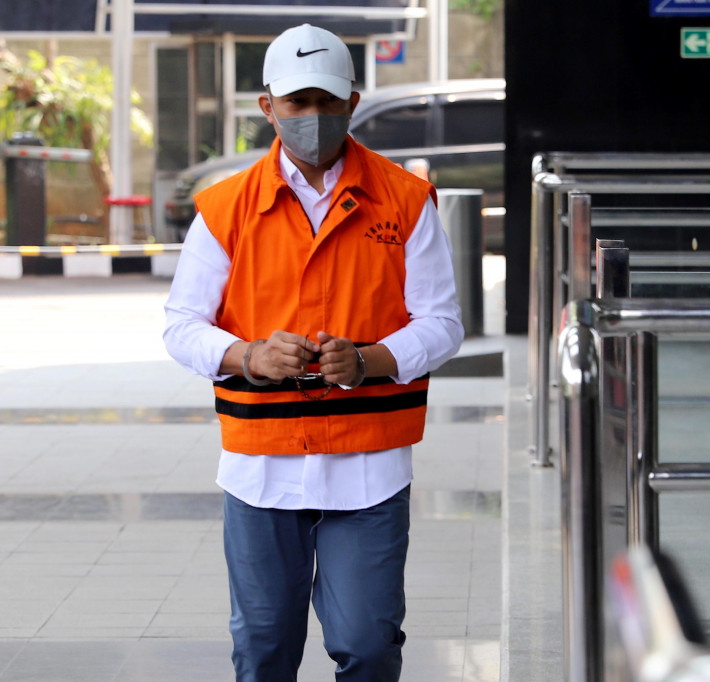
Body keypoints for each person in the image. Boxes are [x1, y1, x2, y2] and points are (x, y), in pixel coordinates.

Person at [163, 23, 463, 682]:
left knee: (368, 645)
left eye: (327, 102)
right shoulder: (222, 209)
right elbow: (181, 325)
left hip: (369, 465)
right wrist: (248, 355)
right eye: (297, 103)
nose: (313, 117)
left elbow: (443, 323)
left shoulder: (406, 202)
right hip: (260, 470)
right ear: (267, 106)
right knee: (264, 648)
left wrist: (369, 359)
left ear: (353, 103)